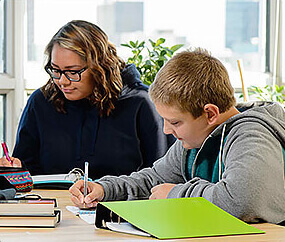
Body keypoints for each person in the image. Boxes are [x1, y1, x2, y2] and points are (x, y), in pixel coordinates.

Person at [69, 48, 285, 225]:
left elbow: (244, 202)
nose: (166, 130)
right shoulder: (194, 139)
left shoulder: (252, 134)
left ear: (210, 113)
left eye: (175, 122)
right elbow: (154, 181)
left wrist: (176, 195)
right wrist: (104, 189)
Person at [0, 20, 175, 179]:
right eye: (55, 70)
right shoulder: (40, 102)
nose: (62, 81)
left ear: (99, 66)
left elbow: (161, 177)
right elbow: (25, 172)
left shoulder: (141, 103)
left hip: (120, 210)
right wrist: (13, 170)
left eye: (73, 71)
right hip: (51, 209)